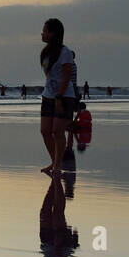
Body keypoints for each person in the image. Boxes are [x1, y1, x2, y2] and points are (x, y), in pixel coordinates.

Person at [38, 18, 77, 176]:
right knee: (45, 131)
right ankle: (54, 162)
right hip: (48, 95)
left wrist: (59, 97)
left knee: (57, 132)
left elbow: (67, 77)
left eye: (45, 30)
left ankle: (57, 166)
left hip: (63, 96)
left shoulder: (65, 52)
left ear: (53, 33)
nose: (42, 33)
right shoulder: (45, 52)